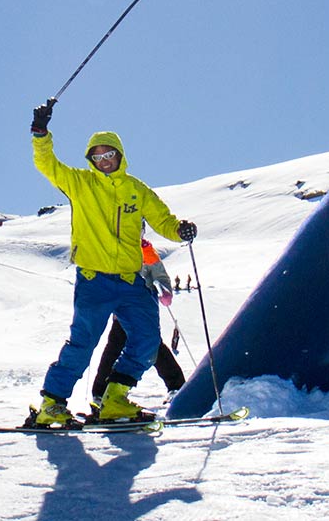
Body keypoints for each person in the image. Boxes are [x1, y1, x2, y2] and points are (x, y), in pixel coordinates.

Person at [28, 99, 197, 427]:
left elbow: (162, 219)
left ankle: (115, 398)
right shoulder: (80, 184)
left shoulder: (136, 190)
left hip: (132, 281)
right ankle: (52, 403)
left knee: (148, 339)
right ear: (90, 159)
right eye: (98, 156)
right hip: (95, 280)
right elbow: (47, 164)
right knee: (84, 342)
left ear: (120, 156)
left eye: (109, 155)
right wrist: (40, 133)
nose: (104, 160)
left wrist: (179, 230)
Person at [91, 239, 185, 408]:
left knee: (152, 346)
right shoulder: (114, 247)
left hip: (143, 310)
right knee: (116, 346)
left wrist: (164, 291)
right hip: (122, 310)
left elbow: (160, 275)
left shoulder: (146, 251)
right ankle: (100, 391)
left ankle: (177, 387)